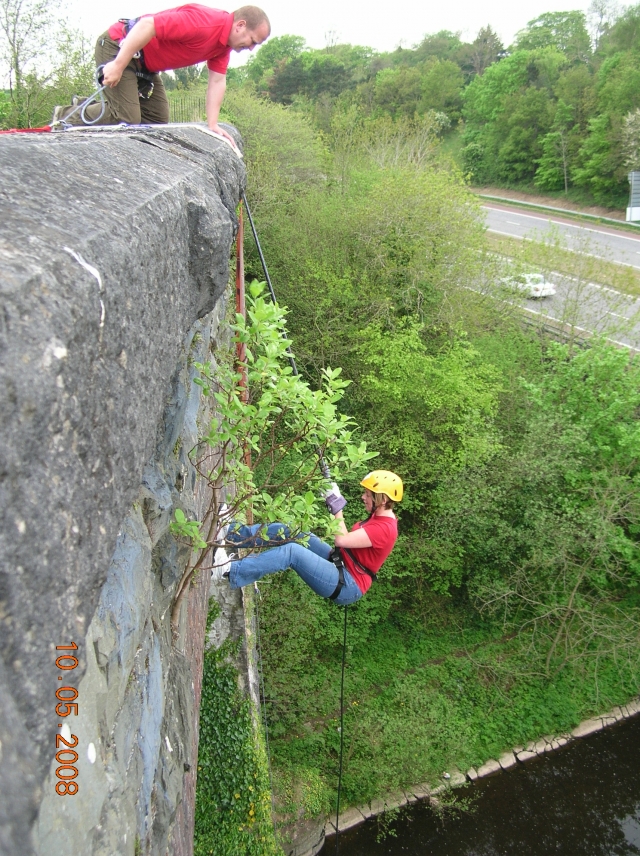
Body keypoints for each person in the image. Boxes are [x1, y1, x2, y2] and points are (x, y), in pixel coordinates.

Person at [53, 5, 270, 144]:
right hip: (119, 47)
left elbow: (217, 80)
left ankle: (87, 105)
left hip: (146, 66)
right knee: (127, 118)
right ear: (240, 26)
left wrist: (212, 125)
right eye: (253, 41)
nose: (251, 48)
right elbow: (147, 25)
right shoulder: (205, 23)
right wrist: (118, 65)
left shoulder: (223, 46)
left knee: (156, 119)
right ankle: (66, 115)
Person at [211, 471, 403, 605]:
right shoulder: (377, 517)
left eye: (368, 495)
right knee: (294, 532)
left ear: (383, 500)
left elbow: (342, 540)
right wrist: (333, 501)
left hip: (347, 583)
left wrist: (337, 506)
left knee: (292, 552)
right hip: (340, 564)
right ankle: (233, 533)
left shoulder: (385, 529)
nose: (363, 497)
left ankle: (228, 571)